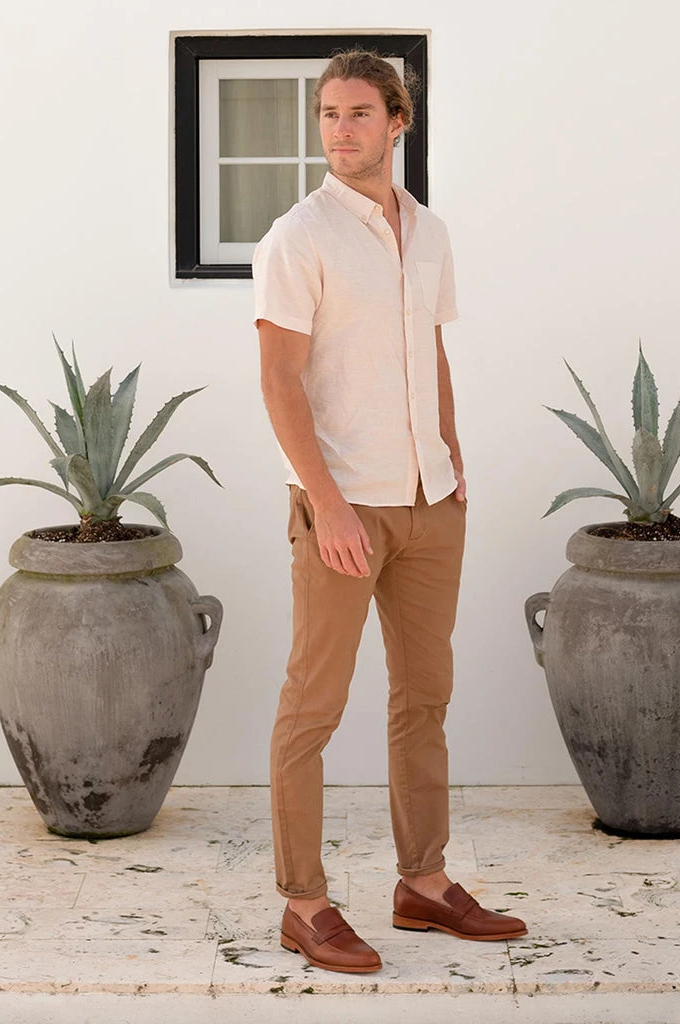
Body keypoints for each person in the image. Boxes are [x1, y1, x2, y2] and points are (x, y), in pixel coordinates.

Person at [253, 50, 527, 975]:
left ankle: (425, 884)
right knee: (313, 707)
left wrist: (451, 457)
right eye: (328, 114)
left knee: (424, 699)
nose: (340, 130)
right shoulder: (298, 237)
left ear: (398, 121)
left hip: (429, 502)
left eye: (359, 113)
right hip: (343, 507)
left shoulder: (432, 233)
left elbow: (431, 353)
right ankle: (304, 903)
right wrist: (327, 505)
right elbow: (279, 381)